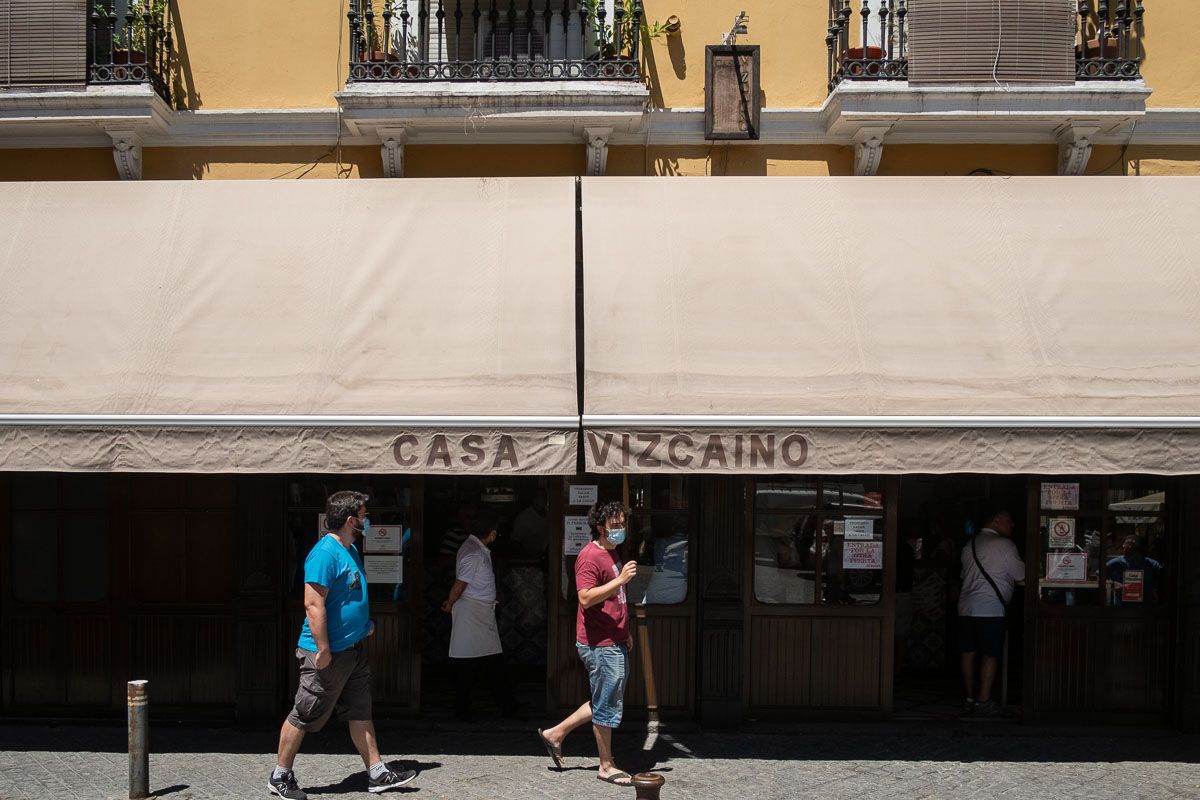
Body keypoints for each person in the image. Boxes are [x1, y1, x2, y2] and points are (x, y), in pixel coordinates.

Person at [270, 491, 416, 799]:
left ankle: (377, 772)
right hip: (328, 654)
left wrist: (364, 626)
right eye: (364, 515)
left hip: (352, 651)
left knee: (360, 711)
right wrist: (323, 649)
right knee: (304, 712)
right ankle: (280, 774)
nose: (367, 520)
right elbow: (313, 604)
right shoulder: (324, 553)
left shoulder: (348, 549)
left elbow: (346, 597)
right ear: (351, 520)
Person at [537, 500, 638, 787]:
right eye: (615, 525)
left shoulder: (612, 552)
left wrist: (624, 631)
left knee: (603, 699)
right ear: (600, 527)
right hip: (599, 644)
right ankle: (606, 766)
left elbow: (614, 602)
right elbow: (585, 597)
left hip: (613, 638)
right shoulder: (589, 556)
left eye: (622, 524)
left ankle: (555, 734)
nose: (620, 529)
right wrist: (620, 580)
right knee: (607, 703)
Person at [442, 511, 519, 720]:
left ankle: (468, 706)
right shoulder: (474, 553)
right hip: (472, 611)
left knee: (475, 660)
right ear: (492, 534)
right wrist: (450, 602)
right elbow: (460, 584)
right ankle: (501, 706)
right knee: (481, 660)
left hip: (478, 611)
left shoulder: (474, 548)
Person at [957, 507, 1024, 717]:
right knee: (990, 654)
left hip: (966, 607)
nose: (1012, 524)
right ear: (996, 521)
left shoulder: (970, 545)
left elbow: (963, 575)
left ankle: (969, 698)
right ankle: (983, 700)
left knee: (967, 653)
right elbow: (1021, 575)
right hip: (991, 608)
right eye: (1008, 520)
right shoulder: (1005, 545)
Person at [1105, 535, 1164, 605]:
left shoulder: (1152, 564)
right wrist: (1113, 584)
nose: (1123, 547)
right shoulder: (1117, 562)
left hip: (1145, 606)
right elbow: (1100, 575)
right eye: (1123, 546)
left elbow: (1163, 578)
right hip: (1122, 606)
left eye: (1127, 545)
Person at [511, 488, 550, 560]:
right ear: (533, 499)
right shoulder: (523, 518)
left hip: (546, 559)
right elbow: (515, 542)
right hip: (530, 561)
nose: (541, 499)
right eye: (537, 497)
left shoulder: (550, 515)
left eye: (543, 497)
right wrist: (529, 557)